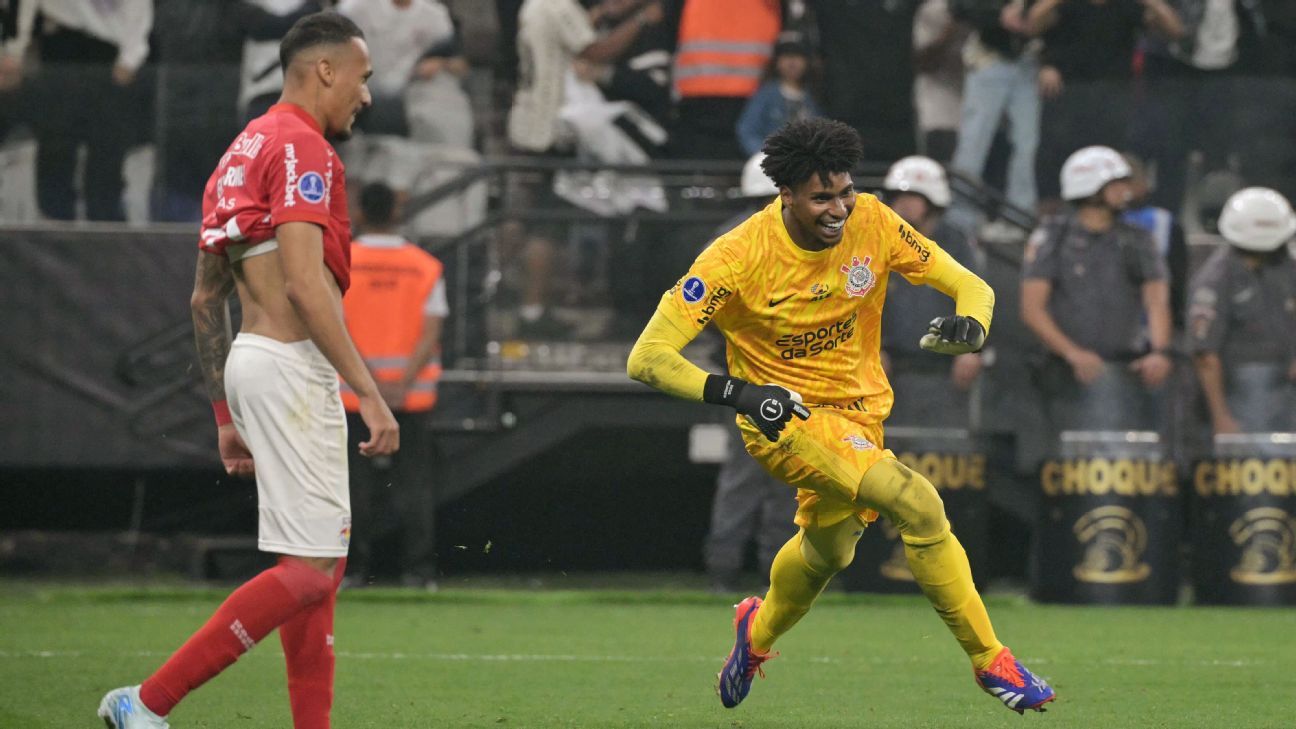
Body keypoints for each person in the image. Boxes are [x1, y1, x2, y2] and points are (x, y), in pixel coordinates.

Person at [626, 118, 1055, 714]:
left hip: (860, 416)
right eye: (822, 197)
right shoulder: (736, 257)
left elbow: (971, 285)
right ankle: (992, 662)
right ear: (787, 195)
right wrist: (742, 395)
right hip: (785, 422)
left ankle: (754, 634)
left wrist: (972, 327)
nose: (839, 208)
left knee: (829, 554)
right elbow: (647, 358)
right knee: (919, 503)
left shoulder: (873, 220)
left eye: (845, 191)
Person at [97, 13, 399, 729]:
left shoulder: (240, 152)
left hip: (251, 362)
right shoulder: (303, 149)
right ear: (324, 70)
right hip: (291, 366)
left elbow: (207, 297)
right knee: (307, 572)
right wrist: (369, 391)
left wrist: (225, 418)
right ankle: (146, 701)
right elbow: (302, 284)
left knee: (315, 572)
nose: (365, 95)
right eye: (362, 77)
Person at [1020, 145, 1173, 435]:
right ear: (1089, 188)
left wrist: (1159, 351)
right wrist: (1072, 353)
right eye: (1115, 184)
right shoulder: (1052, 236)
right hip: (1062, 372)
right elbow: (1032, 309)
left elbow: (1156, 300)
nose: (1125, 191)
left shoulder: (1138, 239)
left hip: (1124, 370)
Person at [342, 182, 448, 588]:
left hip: (355, 396)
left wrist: (370, 383)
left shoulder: (342, 262)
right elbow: (431, 330)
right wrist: (400, 382)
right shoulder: (424, 266)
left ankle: (352, 571)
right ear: (397, 213)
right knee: (415, 486)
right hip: (412, 396)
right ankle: (419, 572)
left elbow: (336, 327)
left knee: (354, 486)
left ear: (362, 213)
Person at [703, 154, 798, 593]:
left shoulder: (735, 235)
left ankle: (738, 569)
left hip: (762, 371)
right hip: (762, 370)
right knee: (769, 475)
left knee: (768, 477)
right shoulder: (743, 239)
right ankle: (759, 569)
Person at [0, 0, 152, 221]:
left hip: (107, 52)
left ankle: (104, 238)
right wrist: (16, 49)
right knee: (55, 153)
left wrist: (132, 55)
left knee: (105, 161)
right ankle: (56, 240)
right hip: (59, 45)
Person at [880, 156, 985, 426]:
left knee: (947, 449)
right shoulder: (878, 244)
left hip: (945, 372)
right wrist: (871, 351)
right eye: (896, 196)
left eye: (913, 197)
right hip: (891, 371)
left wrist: (971, 350)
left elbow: (975, 296)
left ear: (934, 202)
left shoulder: (957, 243)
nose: (902, 204)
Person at [1188, 187, 1296, 435]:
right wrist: (1220, 416)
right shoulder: (1216, 278)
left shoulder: (1286, 266)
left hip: (1287, 385)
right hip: (1240, 385)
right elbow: (1205, 356)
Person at [735, 33, 822, 158]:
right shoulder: (766, 95)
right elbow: (747, 131)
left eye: (798, 56)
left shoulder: (814, 97)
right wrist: (766, 156)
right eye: (786, 56)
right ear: (777, 61)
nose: (792, 62)